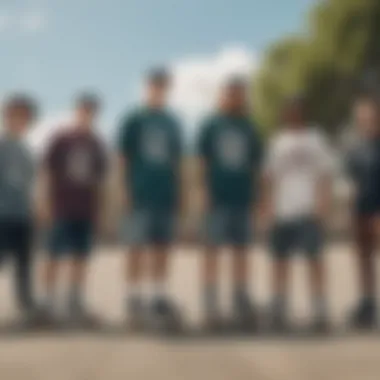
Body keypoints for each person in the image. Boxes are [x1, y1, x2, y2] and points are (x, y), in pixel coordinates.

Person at [117, 68, 184, 331]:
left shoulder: (172, 122)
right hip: (140, 193)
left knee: (161, 247)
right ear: (147, 87)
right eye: (155, 85)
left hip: (165, 193)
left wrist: (180, 193)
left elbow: (176, 161)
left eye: (163, 85)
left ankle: (157, 296)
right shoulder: (134, 119)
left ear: (167, 89)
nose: (158, 89)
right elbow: (123, 158)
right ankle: (133, 298)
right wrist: (125, 190)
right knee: (136, 247)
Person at [261, 96, 333, 332]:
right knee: (280, 262)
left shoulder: (316, 139)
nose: (292, 113)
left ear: (303, 112)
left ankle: (319, 309)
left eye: (296, 109)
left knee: (314, 261)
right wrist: (267, 207)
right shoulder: (277, 141)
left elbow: (325, 174)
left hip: (308, 210)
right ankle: (279, 308)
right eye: (288, 110)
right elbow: (269, 177)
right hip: (282, 211)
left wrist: (323, 204)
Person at [196, 77, 262, 331]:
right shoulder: (211, 124)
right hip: (217, 197)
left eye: (239, 93)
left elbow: (256, 165)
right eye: (230, 92)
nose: (234, 97)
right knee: (211, 252)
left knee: (241, 251)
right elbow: (203, 160)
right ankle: (210, 306)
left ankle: (240, 303)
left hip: (243, 197)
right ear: (222, 95)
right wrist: (202, 190)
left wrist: (259, 198)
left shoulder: (249, 127)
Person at [40, 93, 107, 325]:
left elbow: (99, 181)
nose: (86, 114)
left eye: (91, 111)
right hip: (61, 207)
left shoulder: (97, 144)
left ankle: (74, 301)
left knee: (81, 257)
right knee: (54, 255)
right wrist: (45, 203)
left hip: (86, 209)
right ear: (76, 111)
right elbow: (47, 172)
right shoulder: (61, 138)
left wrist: (99, 212)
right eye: (83, 110)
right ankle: (48, 302)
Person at [0, 94, 39, 320]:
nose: (19, 121)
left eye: (24, 117)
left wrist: (33, 208)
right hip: (2, 215)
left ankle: (27, 307)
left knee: (24, 265)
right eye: (15, 115)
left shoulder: (27, 151)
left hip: (22, 216)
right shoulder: (2, 146)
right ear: (7, 117)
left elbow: (29, 184)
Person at [345, 94, 380, 329]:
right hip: (361, 211)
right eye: (362, 116)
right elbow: (351, 183)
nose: (366, 119)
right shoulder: (355, 148)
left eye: (370, 115)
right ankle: (367, 303)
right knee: (364, 259)